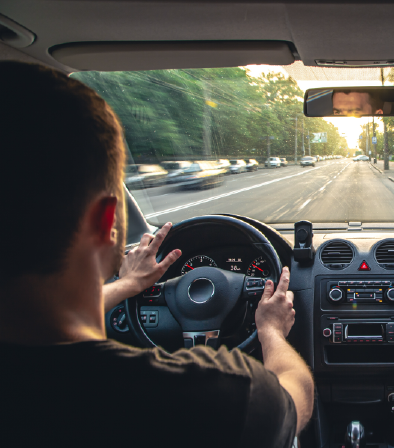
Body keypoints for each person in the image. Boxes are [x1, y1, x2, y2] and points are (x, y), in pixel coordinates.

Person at [0, 61, 314, 447]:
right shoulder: (218, 396)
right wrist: (270, 331)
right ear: (107, 221)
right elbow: (295, 396)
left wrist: (128, 286)